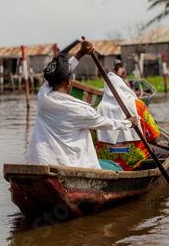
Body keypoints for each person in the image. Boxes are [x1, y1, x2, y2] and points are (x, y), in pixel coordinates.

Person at [25, 37, 138, 170]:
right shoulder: (79, 110)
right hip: (71, 166)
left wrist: (81, 53)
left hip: (42, 161)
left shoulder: (43, 97)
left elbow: (62, 73)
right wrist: (128, 123)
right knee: (116, 168)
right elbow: (106, 123)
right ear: (68, 82)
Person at [94, 73, 168, 171]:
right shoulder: (139, 105)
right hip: (136, 159)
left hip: (106, 160)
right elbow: (154, 139)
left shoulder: (97, 110)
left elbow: (93, 140)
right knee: (166, 152)